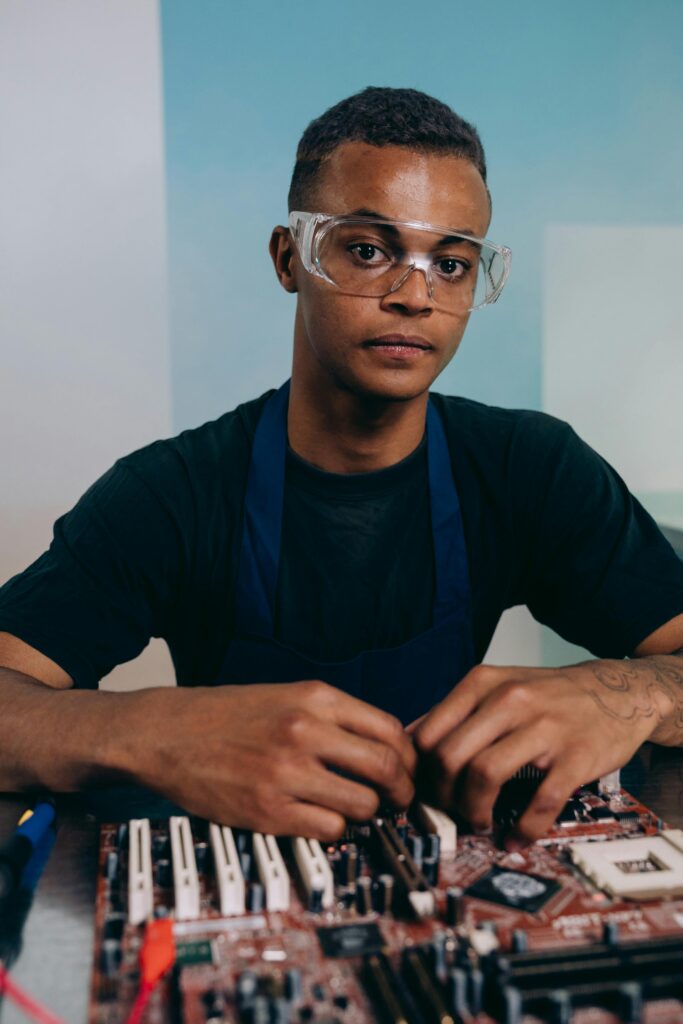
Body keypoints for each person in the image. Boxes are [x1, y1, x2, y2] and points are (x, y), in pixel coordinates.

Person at [1, 87, 682, 847]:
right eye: (367, 250)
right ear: (289, 258)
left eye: (451, 263)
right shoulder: (172, 494)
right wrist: (155, 731)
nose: (413, 294)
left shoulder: (530, 469)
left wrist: (628, 693)